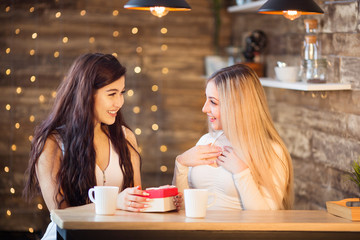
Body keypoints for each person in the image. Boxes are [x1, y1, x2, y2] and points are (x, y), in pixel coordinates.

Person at [23, 53, 153, 240]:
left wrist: (160, 197)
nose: (119, 102)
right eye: (112, 94)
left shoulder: (126, 138)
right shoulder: (52, 143)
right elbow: (61, 215)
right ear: (86, 94)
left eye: (121, 93)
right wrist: (115, 202)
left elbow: (135, 203)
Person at [173, 64, 294, 210]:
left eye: (213, 102)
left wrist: (242, 173)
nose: (204, 109)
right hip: (197, 231)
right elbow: (181, 208)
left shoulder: (271, 151)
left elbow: (266, 218)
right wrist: (181, 163)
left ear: (236, 106)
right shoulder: (206, 141)